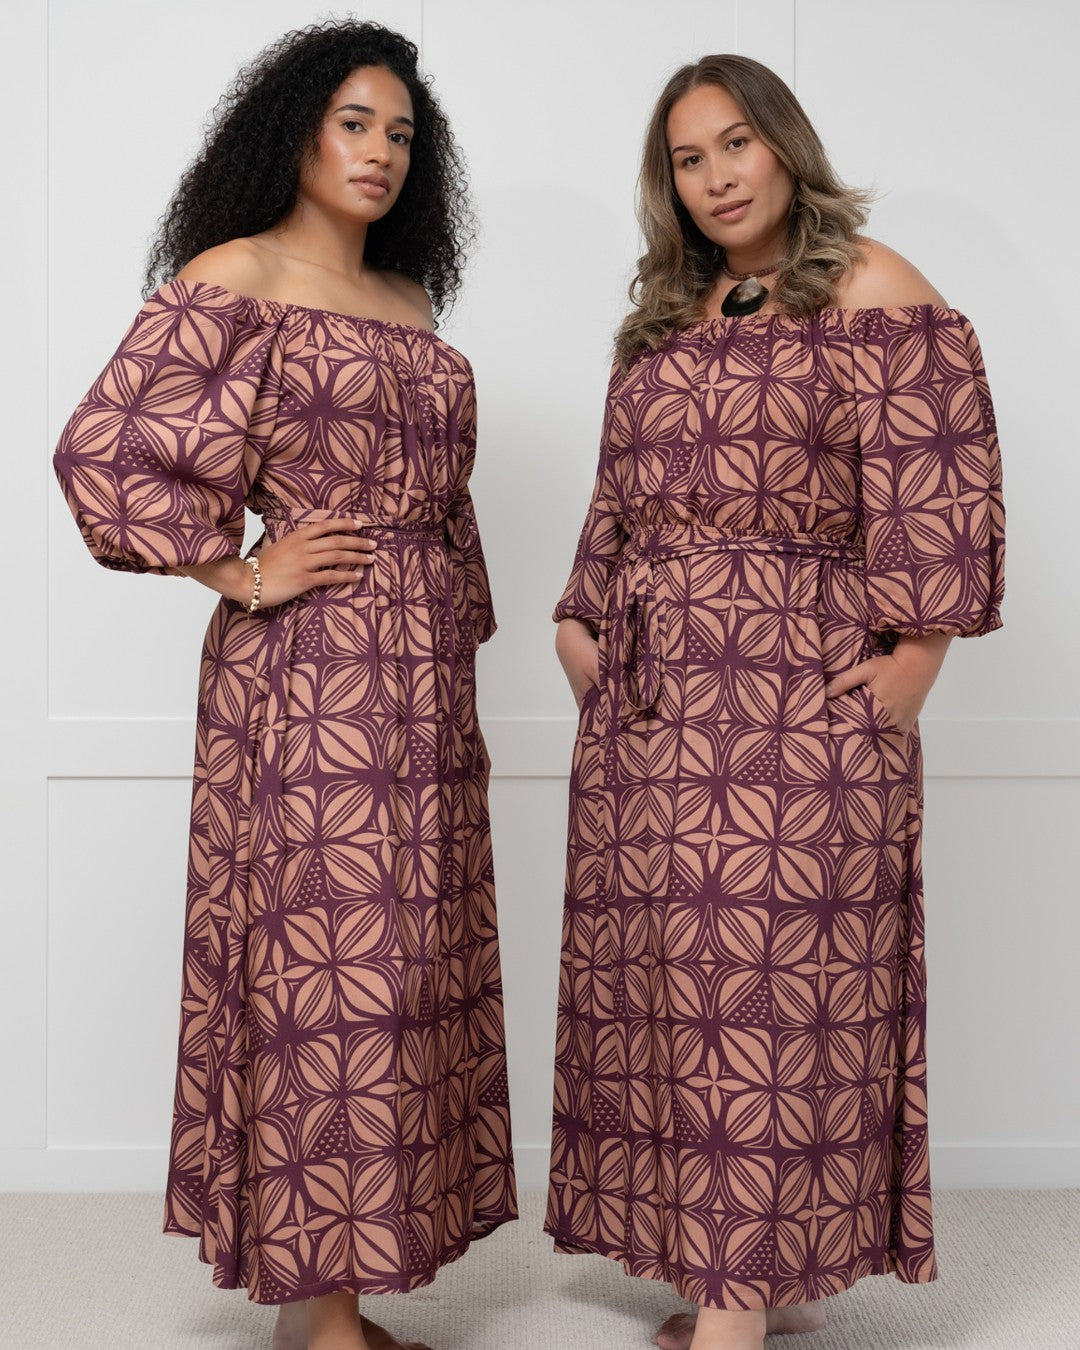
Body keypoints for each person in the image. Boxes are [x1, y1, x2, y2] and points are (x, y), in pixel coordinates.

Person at [52, 21, 516, 1350]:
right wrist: (238, 573)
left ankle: (342, 1299)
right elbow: (105, 452)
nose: (378, 152)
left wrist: (451, 641)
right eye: (355, 121)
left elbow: (447, 503)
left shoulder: (413, 303)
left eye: (402, 134)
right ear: (298, 129)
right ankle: (321, 1322)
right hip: (311, 677)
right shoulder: (237, 274)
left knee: (402, 969)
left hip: (424, 678)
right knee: (330, 971)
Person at [546, 54, 1004, 1350]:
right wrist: (582, 613)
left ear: (784, 145)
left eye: (735, 143)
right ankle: (751, 1273)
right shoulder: (674, 313)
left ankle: (734, 1317)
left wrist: (919, 658)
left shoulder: (871, 284)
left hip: (800, 688)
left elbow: (942, 468)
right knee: (676, 994)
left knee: (770, 990)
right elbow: (619, 490)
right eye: (688, 159)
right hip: (653, 708)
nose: (716, 177)